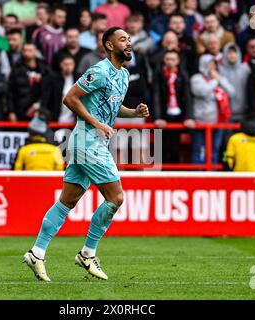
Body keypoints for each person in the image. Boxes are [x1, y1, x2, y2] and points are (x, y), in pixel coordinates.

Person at [22, 27, 149, 282]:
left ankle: (37, 253)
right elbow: (70, 99)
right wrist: (97, 123)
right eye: (123, 39)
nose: (129, 43)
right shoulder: (99, 71)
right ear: (109, 45)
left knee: (67, 201)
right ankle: (87, 253)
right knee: (116, 197)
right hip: (87, 141)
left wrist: (133, 113)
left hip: (90, 142)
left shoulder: (123, 74)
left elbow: (112, 106)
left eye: (130, 39)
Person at [190, 54, 234, 165]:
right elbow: (202, 92)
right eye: (210, 63)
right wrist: (215, 81)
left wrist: (220, 80)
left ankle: (212, 173)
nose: (212, 66)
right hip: (201, 120)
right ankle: (197, 176)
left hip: (219, 120)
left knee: (214, 150)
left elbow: (232, 93)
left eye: (214, 63)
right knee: (199, 150)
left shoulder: (219, 77)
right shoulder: (196, 78)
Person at [153, 49, 194, 163]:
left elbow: (187, 97)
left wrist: (189, 117)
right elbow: (156, 96)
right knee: (162, 146)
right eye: (168, 59)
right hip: (164, 113)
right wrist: (158, 117)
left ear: (178, 61)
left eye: (173, 59)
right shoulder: (159, 74)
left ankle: (175, 171)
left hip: (178, 113)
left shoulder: (183, 74)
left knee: (176, 145)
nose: (170, 62)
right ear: (164, 60)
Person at [8, 42, 54, 121]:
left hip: (40, 111)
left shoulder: (44, 68)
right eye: (25, 51)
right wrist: (11, 111)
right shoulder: (16, 68)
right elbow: (10, 92)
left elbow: (48, 91)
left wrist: (37, 107)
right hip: (20, 111)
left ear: (35, 51)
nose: (27, 53)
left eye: (30, 50)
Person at [219, 43, 251, 123]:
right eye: (229, 52)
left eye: (234, 52)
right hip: (226, 113)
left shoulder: (245, 69)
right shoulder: (220, 70)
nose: (232, 55)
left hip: (244, 112)